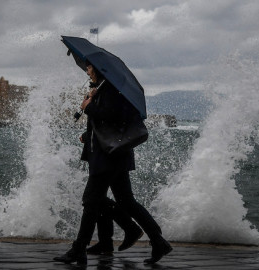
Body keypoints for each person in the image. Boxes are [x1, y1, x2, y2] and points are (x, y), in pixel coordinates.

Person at [53, 63, 172, 266]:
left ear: (100, 70)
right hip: (112, 155)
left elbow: (112, 115)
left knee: (91, 201)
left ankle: (78, 249)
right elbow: (108, 125)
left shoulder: (111, 90)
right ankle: (157, 242)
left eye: (90, 68)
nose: (88, 71)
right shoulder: (103, 89)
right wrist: (87, 133)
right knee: (125, 201)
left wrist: (88, 106)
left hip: (108, 157)